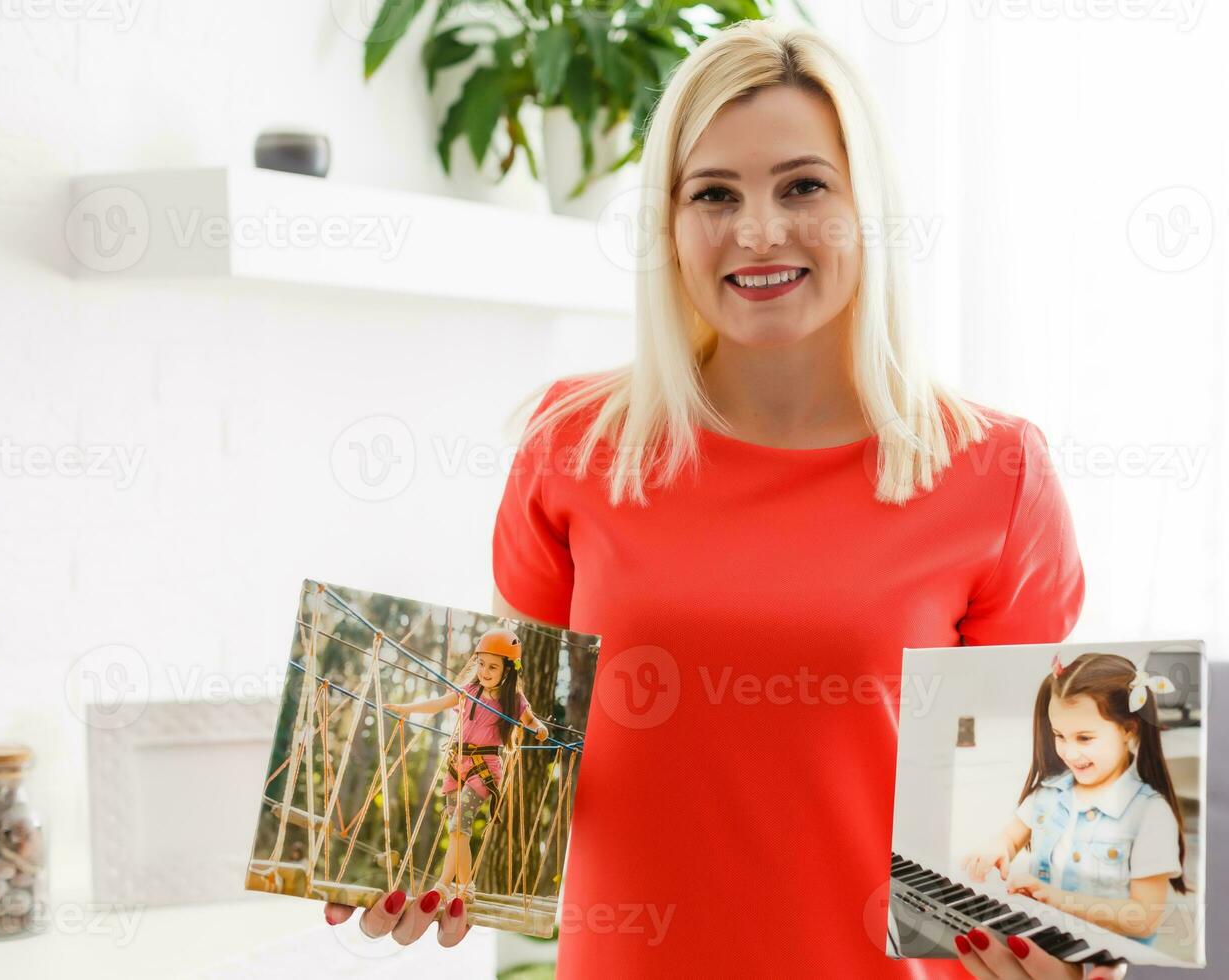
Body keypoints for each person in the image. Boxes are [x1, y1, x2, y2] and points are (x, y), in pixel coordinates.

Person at [326, 17, 1113, 979]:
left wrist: (1074, 943)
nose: (758, 231)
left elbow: (1032, 803)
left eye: (803, 186)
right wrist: (418, 854)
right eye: (714, 194)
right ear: (670, 222)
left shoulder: (994, 471)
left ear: (868, 206)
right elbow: (505, 746)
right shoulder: (575, 446)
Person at [961, 653, 1189, 954]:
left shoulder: (1150, 813)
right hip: (1047, 945)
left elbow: (1144, 918)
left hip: (1110, 958)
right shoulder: (1048, 795)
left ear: (1128, 729)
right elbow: (1010, 837)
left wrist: (1055, 898)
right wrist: (996, 849)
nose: (1068, 753)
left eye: (1084, 738)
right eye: (1059, 735)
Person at [381, 627, 550, 900]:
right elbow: (437, 703)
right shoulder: (468, 690)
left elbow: (532, 722)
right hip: (456, 765)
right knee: (458, 832)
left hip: (485, 767)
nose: (484, 670)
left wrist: (541, 729)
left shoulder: (514, 701)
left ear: (508, 670)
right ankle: (463, 886)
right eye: (481, 664)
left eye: (493, 666)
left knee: (459, 823)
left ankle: (444, 885)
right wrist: (407, 708)